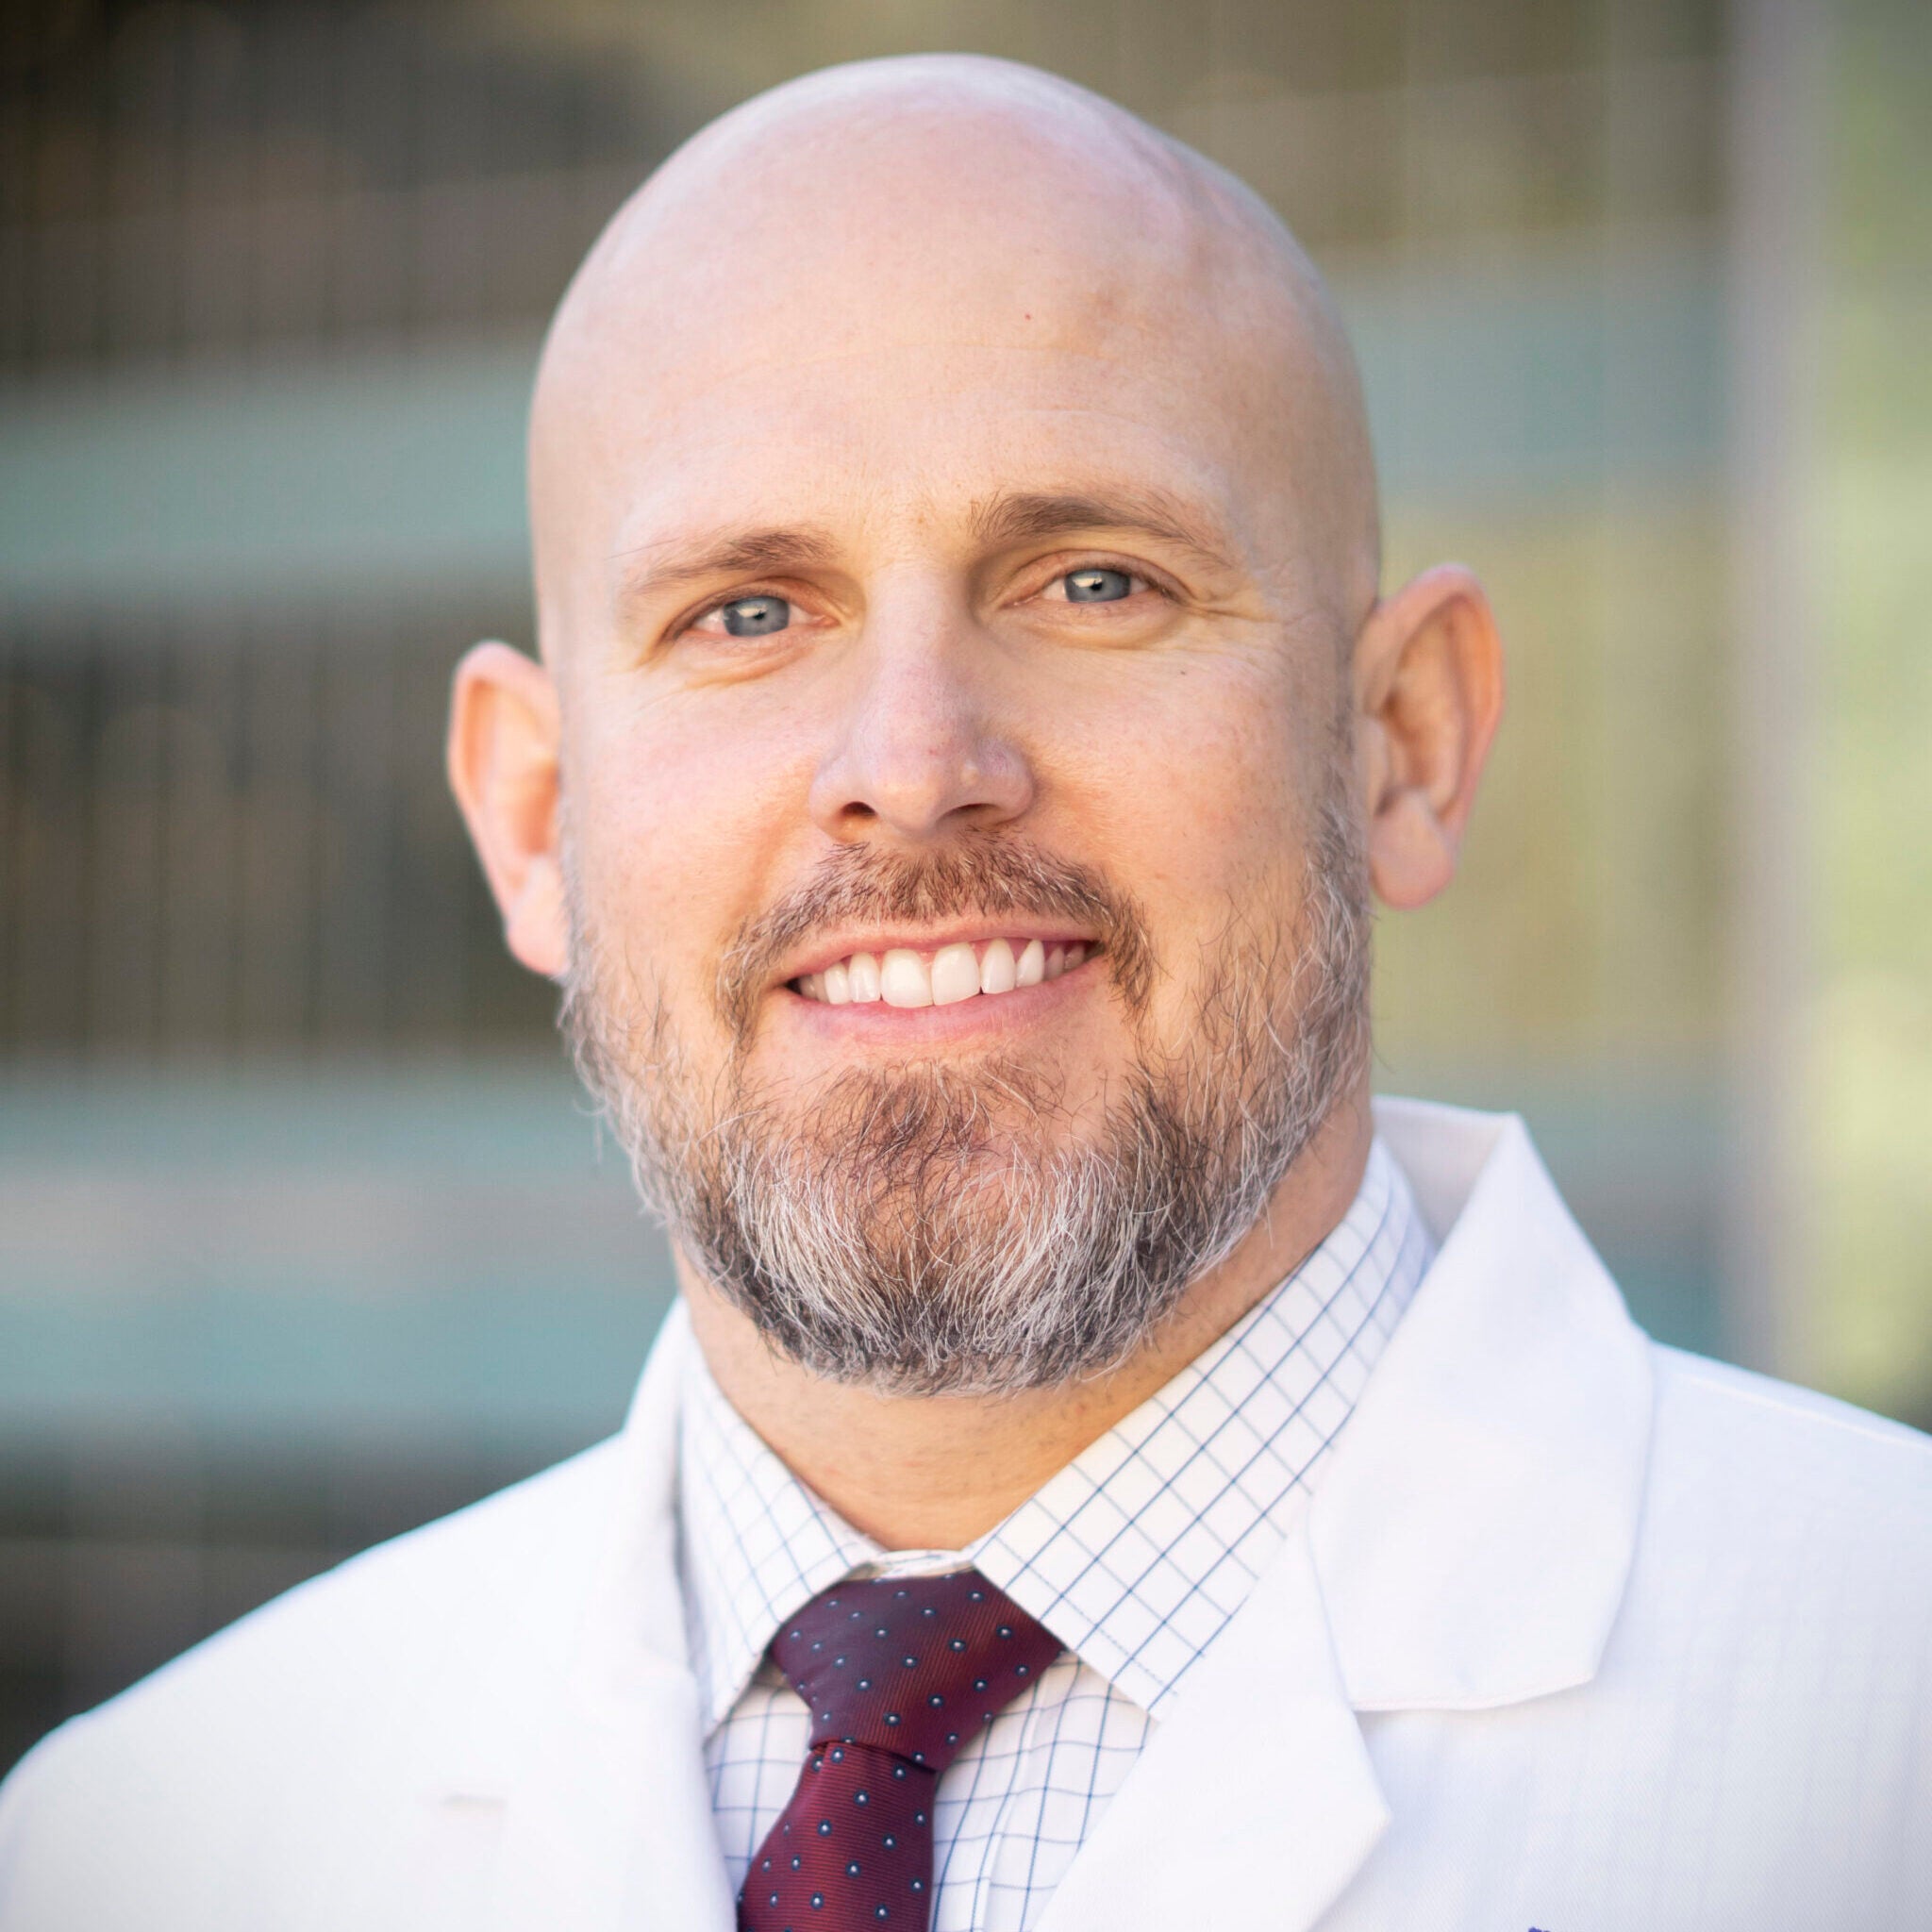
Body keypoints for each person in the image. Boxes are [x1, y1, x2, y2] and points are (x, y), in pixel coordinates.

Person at [3, 52, 1929, 1932]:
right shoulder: (143, 1840)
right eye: (745, 615)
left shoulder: (1882, 1711)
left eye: (1094, 582)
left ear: (1399, 743)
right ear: (535, 817)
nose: (914, 763)